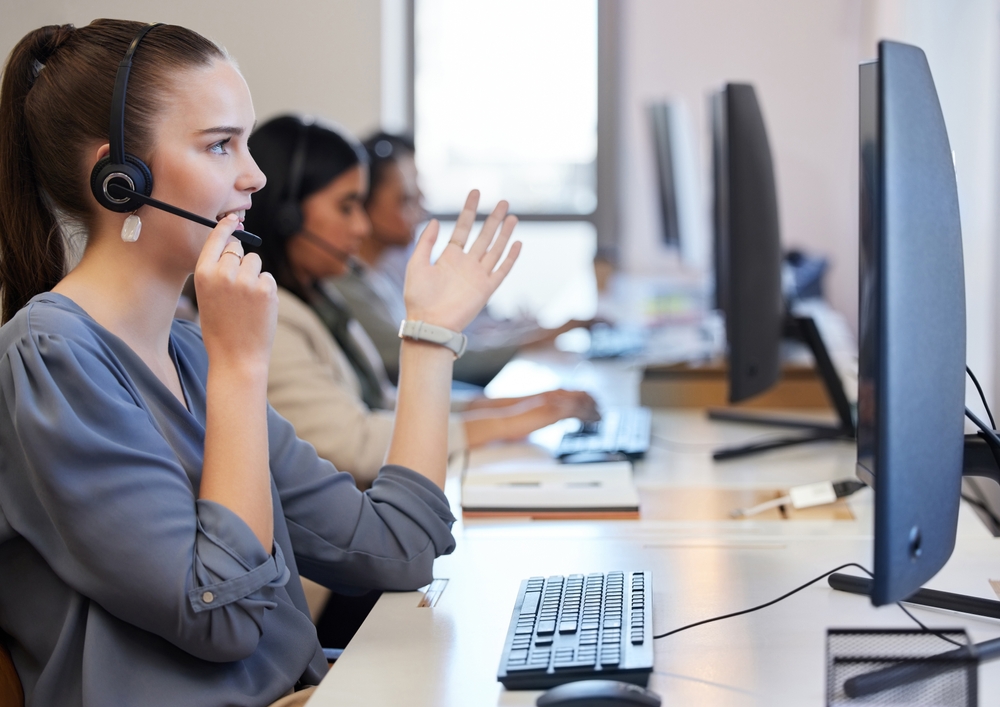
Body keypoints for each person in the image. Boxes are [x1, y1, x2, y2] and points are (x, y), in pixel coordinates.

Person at [0, 20, 519, 707]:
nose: (256, 175)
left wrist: (429, 336)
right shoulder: (52, 361)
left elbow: (400, 547)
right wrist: (241, 367)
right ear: (119, 179)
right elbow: (221, 616)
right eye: (221, 144)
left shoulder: (189, 351)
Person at [244, 116, 600, 489]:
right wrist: (505, 423)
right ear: (288, 216)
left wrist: (523, 406)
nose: (361, 227)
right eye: (347, 207)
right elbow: (357, 443)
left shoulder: (322, 298)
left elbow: (388, 404)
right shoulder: (271, 319)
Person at [330, 132, 597, 387]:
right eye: (405, 199)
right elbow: (421, 354)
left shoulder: (384, 272)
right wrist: (529, 341)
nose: (420, 210)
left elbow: (449, 338)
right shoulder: (349, 284)